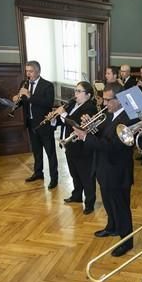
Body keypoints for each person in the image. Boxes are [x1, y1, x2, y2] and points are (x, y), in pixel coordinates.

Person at [75, 83, 134, 256]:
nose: (104, 103)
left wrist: (86, 136)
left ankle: (126, 240)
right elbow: (100, 135)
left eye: (109, 99)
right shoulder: (109, 115)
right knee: (108, 201)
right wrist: (89, 126)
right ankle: (112, 227)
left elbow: (112, 146)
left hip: (118, 170)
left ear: (120, 99)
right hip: (104, 168)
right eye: (104, 99)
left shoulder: (128, 119)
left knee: (121, 207)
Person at [53, 81, 98, 214]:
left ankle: (89, 202)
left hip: (82, 147)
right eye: (75, 91)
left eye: (79, 91)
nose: (75, 94)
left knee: (86, 176)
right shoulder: (73, 104)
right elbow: (65, 122)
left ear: (88, 95)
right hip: (70, 144)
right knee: (74, 173)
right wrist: (55, 118)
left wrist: (63, 114)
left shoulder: (90, 107)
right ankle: (77, 195)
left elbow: (76, 124)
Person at [12, 61, 58, 188]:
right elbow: (24, 102)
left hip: (44, 124)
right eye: (27, 71)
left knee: (50, 153)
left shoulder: (47, 85)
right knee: (36, 151)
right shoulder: (24, 84)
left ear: (38, 71)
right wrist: (17, 101)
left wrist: (29, 95)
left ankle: (54, 178)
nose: (28, 74)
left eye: (30, 71)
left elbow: (47, 103)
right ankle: (38, 173)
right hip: (31, 123)